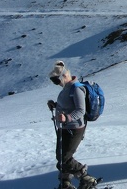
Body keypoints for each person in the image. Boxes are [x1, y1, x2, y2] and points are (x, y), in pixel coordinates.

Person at [47, 61, 97, 189]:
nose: (56, 84)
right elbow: (68, 105)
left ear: (64, 76)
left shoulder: (76, 89)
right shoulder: (67, 89)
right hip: (64, 127)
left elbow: (81, 110)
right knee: (61, 156)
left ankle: (87, 179)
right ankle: (66, 182)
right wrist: (56, 106)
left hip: (74, 128)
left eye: (56, 81)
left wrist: (67, 117)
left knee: (65, 158)